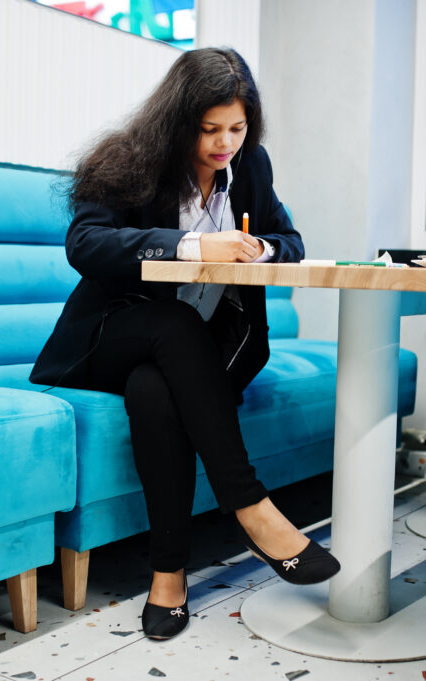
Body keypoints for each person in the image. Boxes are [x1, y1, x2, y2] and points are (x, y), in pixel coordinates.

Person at [30, 47, 339, 640]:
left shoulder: (251, 165)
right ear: (178, 120)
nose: (224, 144)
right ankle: (253, 509)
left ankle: (167, 578)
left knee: (155, 392)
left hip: (208, 350)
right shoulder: (127, 158)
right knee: (172, 327)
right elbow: (86, 244)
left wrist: (261, 250)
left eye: (238, 129)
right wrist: (194, 247)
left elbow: (289, 239)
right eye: (209, 130)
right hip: (111, 336)